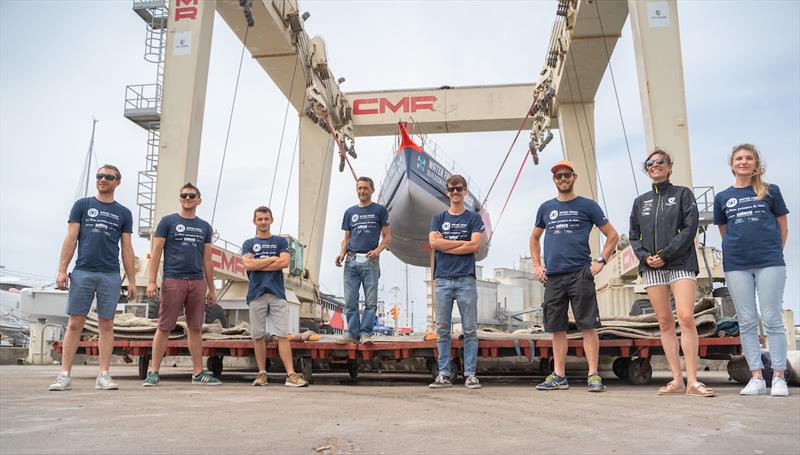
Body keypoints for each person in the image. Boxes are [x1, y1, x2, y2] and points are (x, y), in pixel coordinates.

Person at [629, 149, 714, 397]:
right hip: (651, 267)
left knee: (686, 317)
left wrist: (665, 254)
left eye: (660, 162)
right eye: (650, 163)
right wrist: (645, 257)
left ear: (669, 167)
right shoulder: (640, 201)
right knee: (665, 323)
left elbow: (690, 229)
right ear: (646, 169)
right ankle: (676, 380)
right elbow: (634, 236)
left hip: (680, 264)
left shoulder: (682, 194)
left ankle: (693, 382)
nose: (655, 165)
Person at [530, 160, 618, 393]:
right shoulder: (546, 207)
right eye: (559, 176)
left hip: (581, 274)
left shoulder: (588, 206)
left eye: (567, 175)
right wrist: (537, 265)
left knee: (588, 326)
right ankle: (559, 375)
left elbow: (612, 235)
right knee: (557, 328)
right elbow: (534, 238)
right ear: (554, 180)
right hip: (554, 277)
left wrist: (601, 261)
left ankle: (593, 375)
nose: (563, 179)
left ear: (574, 177)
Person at [50, 164, 136, 391]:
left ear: (118, 182)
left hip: (110, 274)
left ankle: (103, 374)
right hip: (83, 271)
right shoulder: (82, 205)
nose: (103, 180)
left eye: (109, 177)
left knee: (106, 324)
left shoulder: (124, 213)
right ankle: (64, 374)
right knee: (75, 322)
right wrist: (61, 269)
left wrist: (132, 281)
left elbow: (127, 248)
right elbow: (71, 238)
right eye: (100, 176)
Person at [714, 144, 790, 397]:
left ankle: (779, 376)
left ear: (756, 164)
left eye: (748, 158)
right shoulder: (722, 198)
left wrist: (771, 252)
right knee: (746, 320)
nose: (743, 162)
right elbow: (725, 233)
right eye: (739, 158)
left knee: (771, 318)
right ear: (732, 164)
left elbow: (783, 229)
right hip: (737, 265)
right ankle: (756, 376)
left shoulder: (770, 192)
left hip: (769, 261)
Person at [143, 183, 220, 386]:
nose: (187, 198)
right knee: (164, 326)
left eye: (191, 195)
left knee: (195, 328)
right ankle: (153, 372)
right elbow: (157, 252)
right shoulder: (167, 222)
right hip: (173, 280)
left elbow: (207, 259)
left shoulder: (204, 227)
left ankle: (197, 373)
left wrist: (211, 288)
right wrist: (152, 281)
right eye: (184, 195)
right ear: (180, 199)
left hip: (197, 282)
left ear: (198, 200)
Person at [428, 175, 484, 389]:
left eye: (459, 189)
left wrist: (445, 243)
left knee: (470, 330)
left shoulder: (474, 219)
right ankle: (444, 374)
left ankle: (470, 374)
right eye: (451, 189)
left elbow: (475, 246)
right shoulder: (438, 218)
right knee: (442, 329)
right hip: (442, 280)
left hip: (465, 280)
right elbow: (433, 242)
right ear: (447, 191)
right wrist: (464, 242)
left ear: (465, 191)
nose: (455, 192)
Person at [242, 206, 308, 387]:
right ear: (254, 221)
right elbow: (248, 265)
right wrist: (272, 260)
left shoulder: (280, 242)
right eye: (260, 219)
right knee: (258, 336)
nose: (263, 222)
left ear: (272, 220)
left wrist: (258, 262)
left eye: (266, 219)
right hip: (256, 293)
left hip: (277, 293)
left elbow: (284, 262)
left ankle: (291, 374)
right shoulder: (248, 243)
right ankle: (262, 373)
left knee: (282, 335)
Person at [334, 176, 391, 345]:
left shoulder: (380, 211)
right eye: (359, 188)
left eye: (366, 188)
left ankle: (365, 333)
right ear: (356, 190)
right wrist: (341, 254)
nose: (362, 191)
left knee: (370, 301)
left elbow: (387, 237)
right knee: (350, 300)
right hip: (351, 260)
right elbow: (346, 238)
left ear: (372, 190)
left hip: (370, 261)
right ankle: (352, 333)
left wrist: (378, 250)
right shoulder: (350, 212)